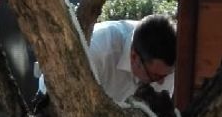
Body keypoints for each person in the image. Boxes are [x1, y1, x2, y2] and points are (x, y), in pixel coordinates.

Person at [38, 14, 176, 104]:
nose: (162, 81)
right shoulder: (96, 51)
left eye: (166, 75)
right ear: (134, 56)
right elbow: (53, 97)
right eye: (155, 76)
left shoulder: (165, 67)